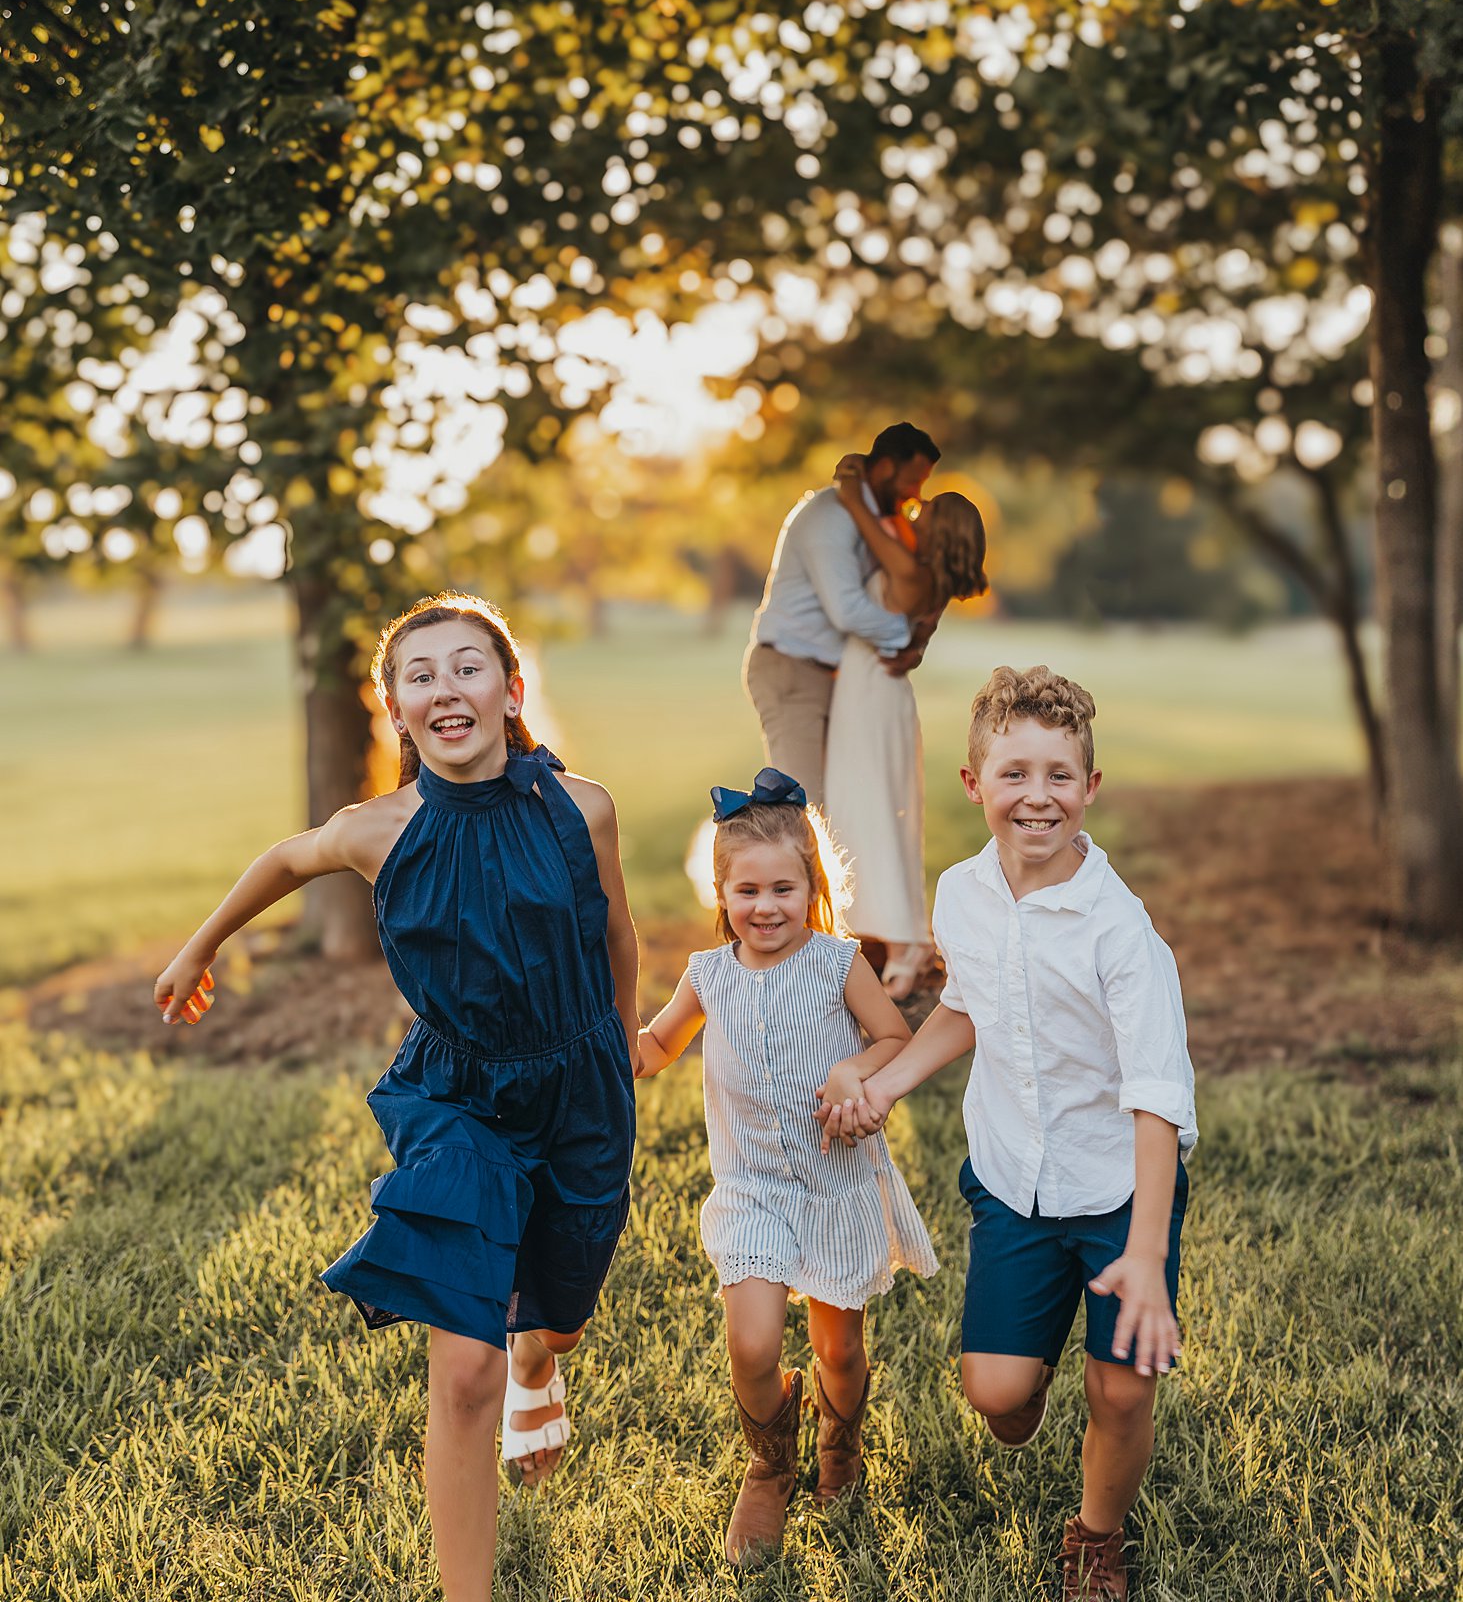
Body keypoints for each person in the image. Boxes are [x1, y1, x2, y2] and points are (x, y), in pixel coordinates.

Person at [153, 593, 640, 1602]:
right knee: (463, 1373)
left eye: (467, 666)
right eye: (420, 673)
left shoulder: (579, 807)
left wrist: (625, 1041)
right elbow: (286, 858)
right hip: (456, 1094)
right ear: (394, 708)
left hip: (579, 1083)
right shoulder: (378, 828)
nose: (444, 686)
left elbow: (615, 935)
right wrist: (201, 943)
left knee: (555, 1321)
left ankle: (540, 1365)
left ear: (510, 691)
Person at [826, 666, 1196, 1602]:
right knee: (996, 1398)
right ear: (973, 783)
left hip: (1117, 1188)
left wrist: (1146, 1254)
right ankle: (1029, 1363)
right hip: (1013, 1179)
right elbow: (970, 1007)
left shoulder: (1119, 931)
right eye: (1015, 773)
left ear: (1089, 788)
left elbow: (1158, 1098)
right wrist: (891, 1082)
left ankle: (1095, 1535)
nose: (1037, 796)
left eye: (1059, 776)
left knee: (1118, 1391)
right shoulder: (962, 892)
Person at [637, 768, 937, 1568]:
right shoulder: (709, 975)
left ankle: (839, 1443)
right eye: (746, 891)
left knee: (838, 1349)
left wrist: (852, 1074)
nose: (764, 907)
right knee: (753, 1342)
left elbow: (894, 1042)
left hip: (834, 1188)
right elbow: (658, 1044)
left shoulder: (838, 963)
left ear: (813, 886)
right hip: (753, 1190)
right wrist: (600, 1052)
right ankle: (769, 1464)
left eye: (782, 888)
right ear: (721, 893)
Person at [823, 456, 989, 997]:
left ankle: (905, 942)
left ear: (937, 533)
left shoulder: (908, 571)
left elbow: (864, 521)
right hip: (874, 692)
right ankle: (893, 934)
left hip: (872, 696)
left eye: (925, 513)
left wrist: (851, 492)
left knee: (871, 811)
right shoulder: (929, 579)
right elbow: (917, 629)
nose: (913, 516)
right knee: (874, 810)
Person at [743, 423, 940, 810]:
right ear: (884, 468)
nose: (915, 494)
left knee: (841, 810)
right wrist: (906, 637)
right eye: (913, 480)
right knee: (806, 812)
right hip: (793, 671)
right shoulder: (830, 517)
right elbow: (847, 610)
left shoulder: (865, 516)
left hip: (827, 675)